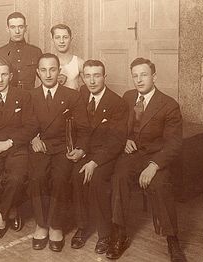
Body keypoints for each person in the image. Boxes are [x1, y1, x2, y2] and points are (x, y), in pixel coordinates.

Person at [106, 58, 186, 262]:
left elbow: (174, 144)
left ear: (154, 77)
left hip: (156, 157)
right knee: (119, 178)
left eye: (144, 75)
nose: (139, 80)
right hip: (132, 155)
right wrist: (124, 140)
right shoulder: (128, 96)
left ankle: (172, 239)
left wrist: (154, 166)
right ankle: (120, 234)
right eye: (135, 76)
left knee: (160, 185)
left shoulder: (168, 104)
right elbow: (118, 126)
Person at [29, 53, 90, 252]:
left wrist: (80, 149)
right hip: (40, 147)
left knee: (60, 178)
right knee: (37, 177)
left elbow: (83, 127)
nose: (48, 74)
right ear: (38, 72)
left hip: (64, 148)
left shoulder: (72, 96)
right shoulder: (30, 95)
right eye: (44, 70)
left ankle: (55, 226)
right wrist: (33, 138)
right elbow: (24, 125)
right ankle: (41, 224)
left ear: (59, 71)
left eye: (52, 69)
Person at [0, 56, 37, 239]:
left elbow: (31, 126)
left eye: (4, 74)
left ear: (11, 76)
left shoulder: (23, 96)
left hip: (15, 147)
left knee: (17, 179)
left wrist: (9, 142)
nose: (0, 79)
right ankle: (10, 207)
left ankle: (1, 213)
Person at [70, 60, 128, 254]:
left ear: (105, 77)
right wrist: (81, 150)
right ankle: (82, 226)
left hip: (108, 155)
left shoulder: (117, 103)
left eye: (97, 75)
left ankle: (105, 234)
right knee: (76, 176)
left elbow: (116, 141)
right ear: (83, 78)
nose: (92, 81)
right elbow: (82, 129)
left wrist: (94, 162)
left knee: (96, 180)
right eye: (88, 76)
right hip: (87, 151)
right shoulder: (82, 94)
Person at [0, 12, 42, 90]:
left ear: (26, 28)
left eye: (20, 27)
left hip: (29, 97)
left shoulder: (36, 52)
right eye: (13, 27)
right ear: (7, 29)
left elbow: (45, 77)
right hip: (8, 98)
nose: (17, 31)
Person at [50, 24, 85, 91]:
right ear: (52, 39)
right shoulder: (49, 62)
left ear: (71, 39)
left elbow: (90, 88)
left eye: (65, 37)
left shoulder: (79, 62)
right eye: (57, 37)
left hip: (73, 100)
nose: (61, 41)